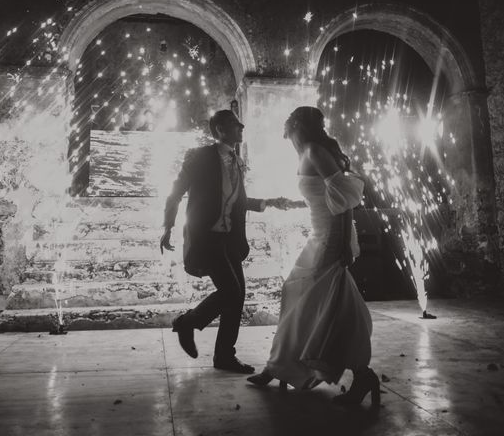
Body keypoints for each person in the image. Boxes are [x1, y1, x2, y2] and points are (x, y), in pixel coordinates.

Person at [247, 106, 380, 407]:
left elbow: (344, 201)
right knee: (302, 295)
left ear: (297, 128)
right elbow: (318, 193)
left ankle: (360, 374)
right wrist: (292, 203)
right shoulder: (307, 152)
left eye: (290, 134)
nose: (289, 141)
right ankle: (279, 367)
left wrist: (345, 242)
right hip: (319, 232)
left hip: (331, 237)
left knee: (323, 302)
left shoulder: (314, 150)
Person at [161, 109, 266, 374]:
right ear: (220, 130)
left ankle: (224, 356)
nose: (241, 126)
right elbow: (174, 193)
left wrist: (268, 203)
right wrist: (168, 227)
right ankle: (188, 322)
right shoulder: (199, 157)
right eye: (234, 123)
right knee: (231, 291)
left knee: (237, 295)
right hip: (206, 237)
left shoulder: (236, 160)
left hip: (230, 240)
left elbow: (238, 200)